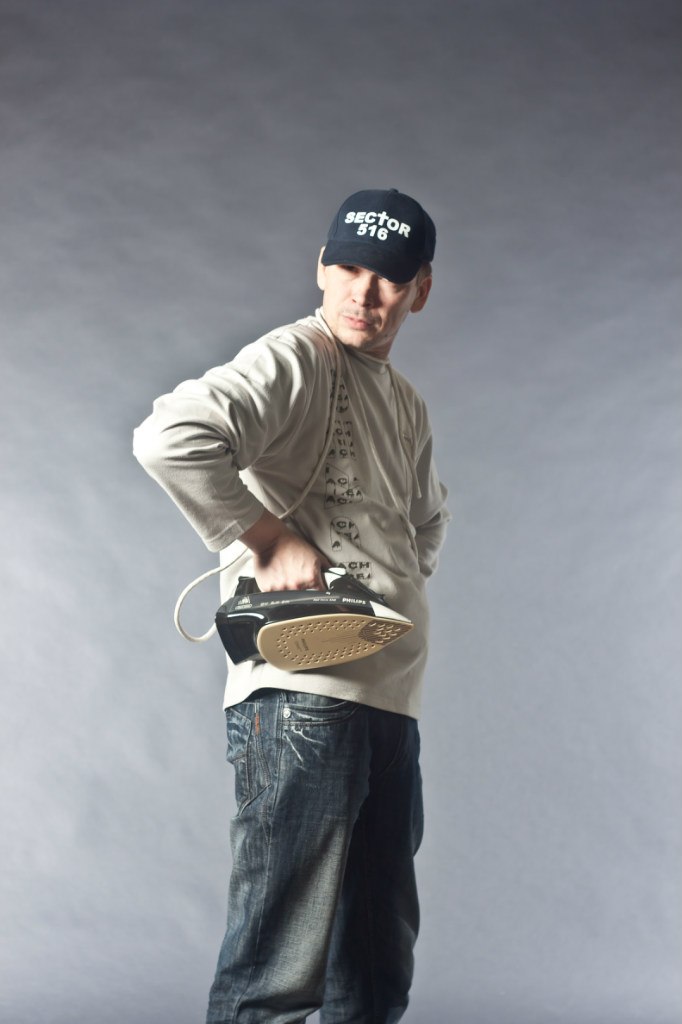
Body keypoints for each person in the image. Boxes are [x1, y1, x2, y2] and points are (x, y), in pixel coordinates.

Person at [133, 187, 450, 1023]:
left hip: (388, 701)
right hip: (305, 699)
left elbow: (426, 521)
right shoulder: (296, 357)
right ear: (320, 267)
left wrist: (388, 589)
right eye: (347, 267)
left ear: (419, 290)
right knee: (276, 973)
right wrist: (268, 538)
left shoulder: (405, 401)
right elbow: (170, 437)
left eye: (388, 278)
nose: (363, 293)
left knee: (376, 973)